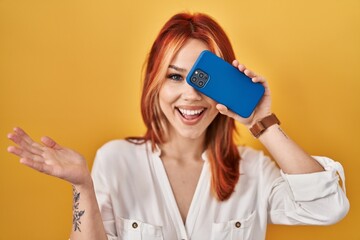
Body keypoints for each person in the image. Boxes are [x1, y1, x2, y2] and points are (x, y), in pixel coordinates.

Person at [7, 12, 349, 240]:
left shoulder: (254, 171)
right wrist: (83, 186)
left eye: (203, 79)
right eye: (174, 76)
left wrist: (263, 123)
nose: (191, 95)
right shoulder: (115, 160)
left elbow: (327, 207)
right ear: (154, 84)